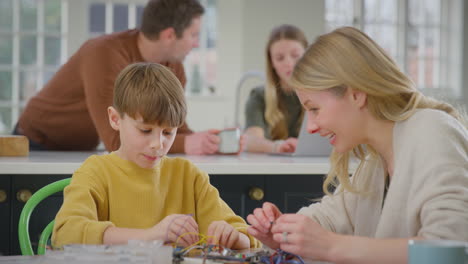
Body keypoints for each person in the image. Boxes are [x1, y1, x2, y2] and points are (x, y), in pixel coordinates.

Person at [247, 27, 468, 263]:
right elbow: (331, 219)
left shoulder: (432, 129)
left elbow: (450, 251)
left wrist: (332, 247)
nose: (310, 127)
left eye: (314, 109)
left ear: (356, 95)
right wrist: (283, 232)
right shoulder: (373, 161)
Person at [52, 63, 259, 249]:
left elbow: (248, 238)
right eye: (145, 130)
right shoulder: (96, 172)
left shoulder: (189, 177)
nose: (158, 144)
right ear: (115, 119)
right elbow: (65, 233)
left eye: (168, 132)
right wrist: (150, 236)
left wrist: (233, 237)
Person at [14, 0, 221, 155]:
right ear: (169, 35)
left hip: (78, 149)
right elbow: (116, 140)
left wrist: (210, 142)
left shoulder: (174, 67)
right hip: (36, 144)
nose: (196, 44)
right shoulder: (103, 54)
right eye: (193, 35)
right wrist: (187, 144)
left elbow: (175, 126)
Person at [243, 24, 307, 153]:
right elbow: (250, 141)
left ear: (307, 55)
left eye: (295, 56)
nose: (289, 63)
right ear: (272, 63)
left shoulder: (322, 95)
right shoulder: (258, 96)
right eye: (280, 58)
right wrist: (277, 147)